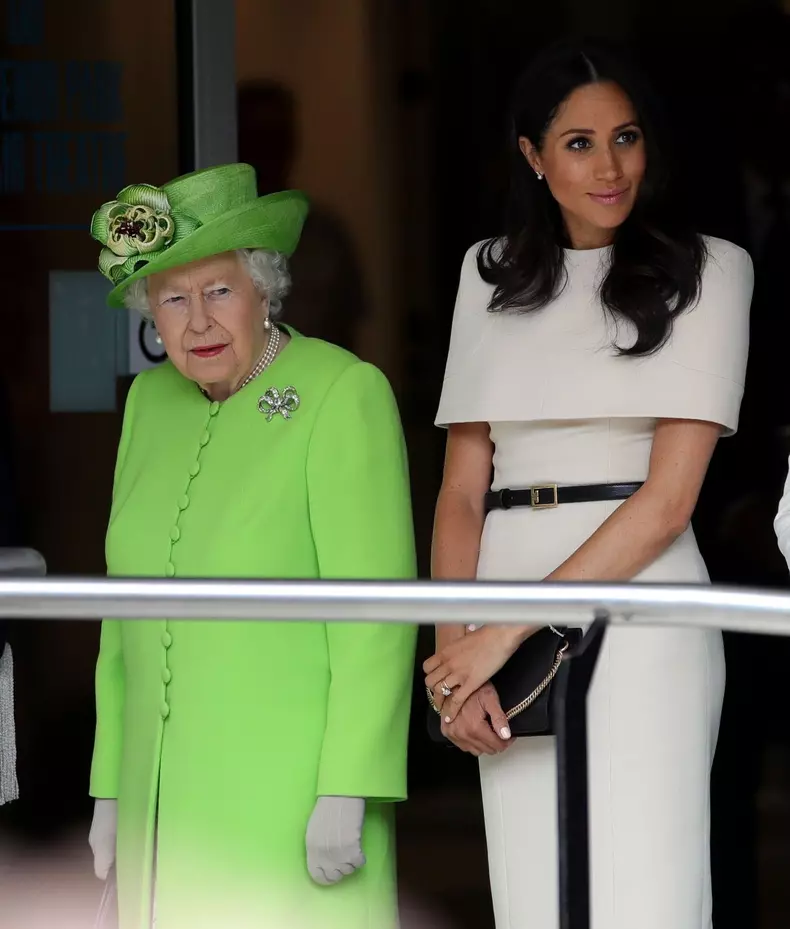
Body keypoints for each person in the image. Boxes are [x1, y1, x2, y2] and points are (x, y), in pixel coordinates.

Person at [423, 39, 752, 929]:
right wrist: (457, 658)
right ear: (532, 155)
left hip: (643, 607)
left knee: (647, 891)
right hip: (501, 620)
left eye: (626, 137)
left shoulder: (711, 270)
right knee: (533, 896)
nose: (609, 166)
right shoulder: (485, 273)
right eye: (577, 143)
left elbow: (668, 500)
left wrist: (501, 632)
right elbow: (461, 491)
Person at [86, 163, 417, 929]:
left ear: (265, 290)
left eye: (219, 291)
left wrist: (350, 782)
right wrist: (110, 781)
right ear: (151, 315)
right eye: (172, 298)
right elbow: (119, 609)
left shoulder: (342, 391)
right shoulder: (148, 403)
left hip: (291, 785)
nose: (197, 321)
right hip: (160, 793)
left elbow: (376, 609)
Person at [237, 81, 366, 352]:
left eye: (278, 137)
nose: (269, 152)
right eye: (257, 137)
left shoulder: (326, 235)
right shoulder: (218, 238)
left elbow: (350, 329)